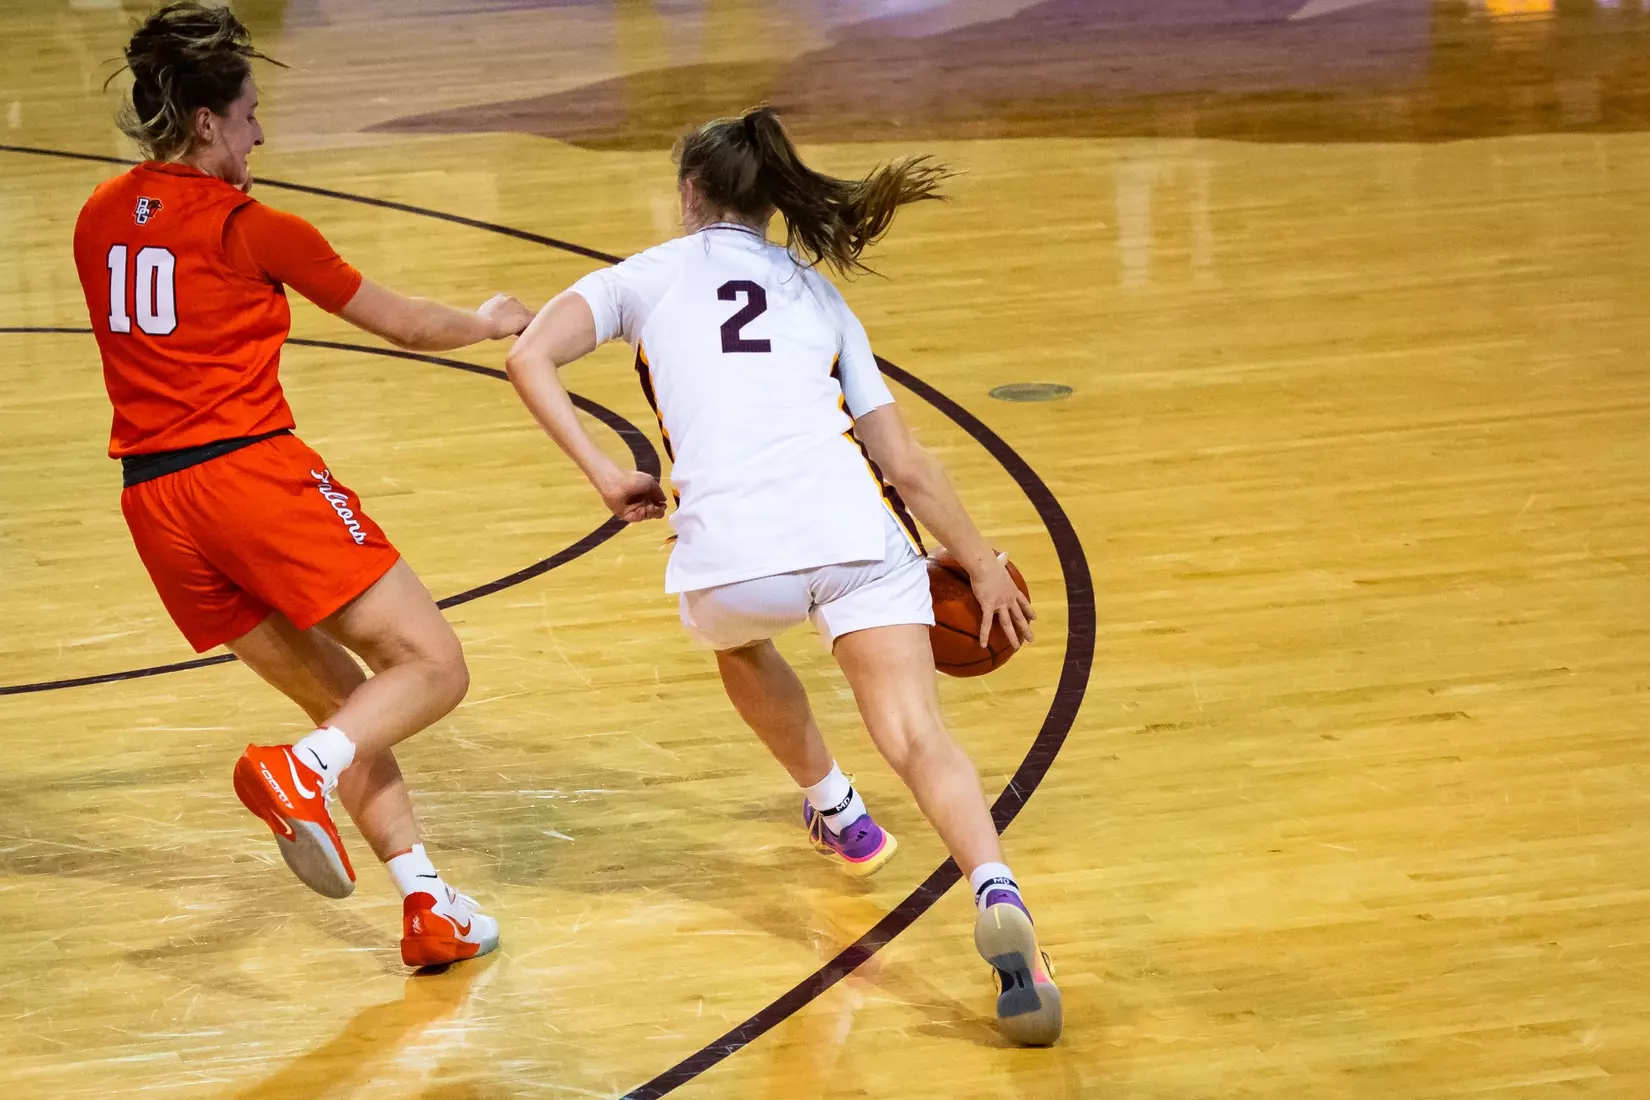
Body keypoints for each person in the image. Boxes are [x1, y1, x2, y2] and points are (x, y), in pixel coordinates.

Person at [503, 106, 1062, 1045]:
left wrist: (608, 474)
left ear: (690, 193)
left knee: (741, 642)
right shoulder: (817, 292)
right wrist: (978, 562)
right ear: (770, 205)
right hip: (852, 531)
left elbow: (529, 358)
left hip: (733, 553)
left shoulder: (645, 276)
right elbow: (908, 462)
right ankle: (995, 888)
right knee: (920, 738)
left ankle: (837, 809)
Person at [72, 2, 518, 968]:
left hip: (154, 505)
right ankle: (295, 772)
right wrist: (487, 320)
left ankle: (427, 904)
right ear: (205, 122)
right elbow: (401, 323)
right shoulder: (255, 226)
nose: (259, 132)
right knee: (433, 669)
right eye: (249, 113)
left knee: (344, 712)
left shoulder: (97, 217)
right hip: (247, 478)